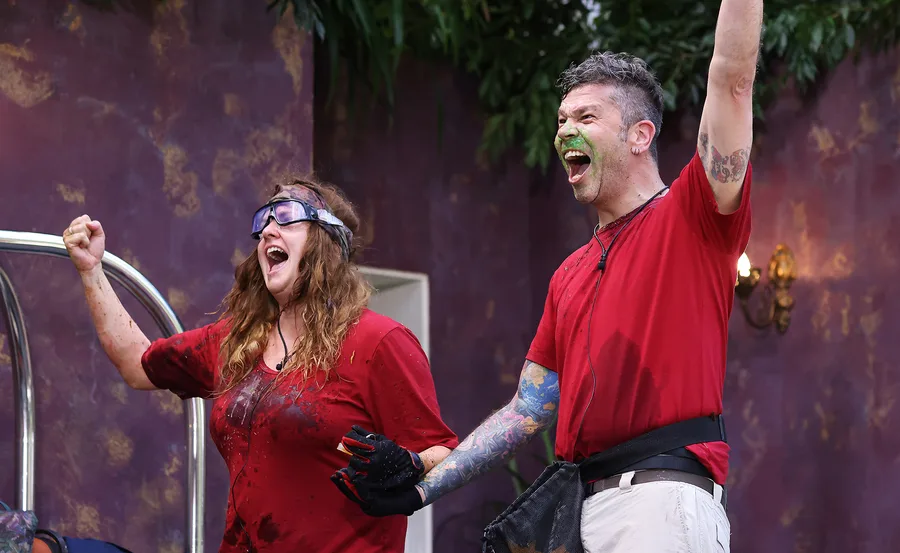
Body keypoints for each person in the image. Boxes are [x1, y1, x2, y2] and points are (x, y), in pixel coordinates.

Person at [334, 1, 761, 551]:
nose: (564, 132)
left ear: (640, 134)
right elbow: (527, 410)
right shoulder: (570, 273)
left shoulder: (693, 215)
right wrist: (419, 492)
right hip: (579, 509)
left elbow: (731, 79)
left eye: (585, 118)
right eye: (561, 120)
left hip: (659, 503)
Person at [62, 178, 458, 553]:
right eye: (263, 221)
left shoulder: (379, 341)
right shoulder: (237, 341)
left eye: (286, 216)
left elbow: (445, 454)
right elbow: (137, 364)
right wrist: (90, 270)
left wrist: (409, 463)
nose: (268, 230)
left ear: (326, 240)